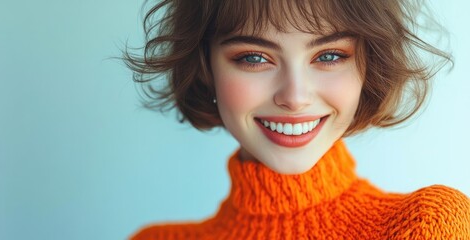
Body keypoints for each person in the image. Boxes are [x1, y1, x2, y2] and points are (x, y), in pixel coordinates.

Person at [124, 0, 470, 239]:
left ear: (369, 65)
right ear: (205, 66)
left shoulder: (427, 226)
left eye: (330, 55)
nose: (294, 97)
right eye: (254, 58)